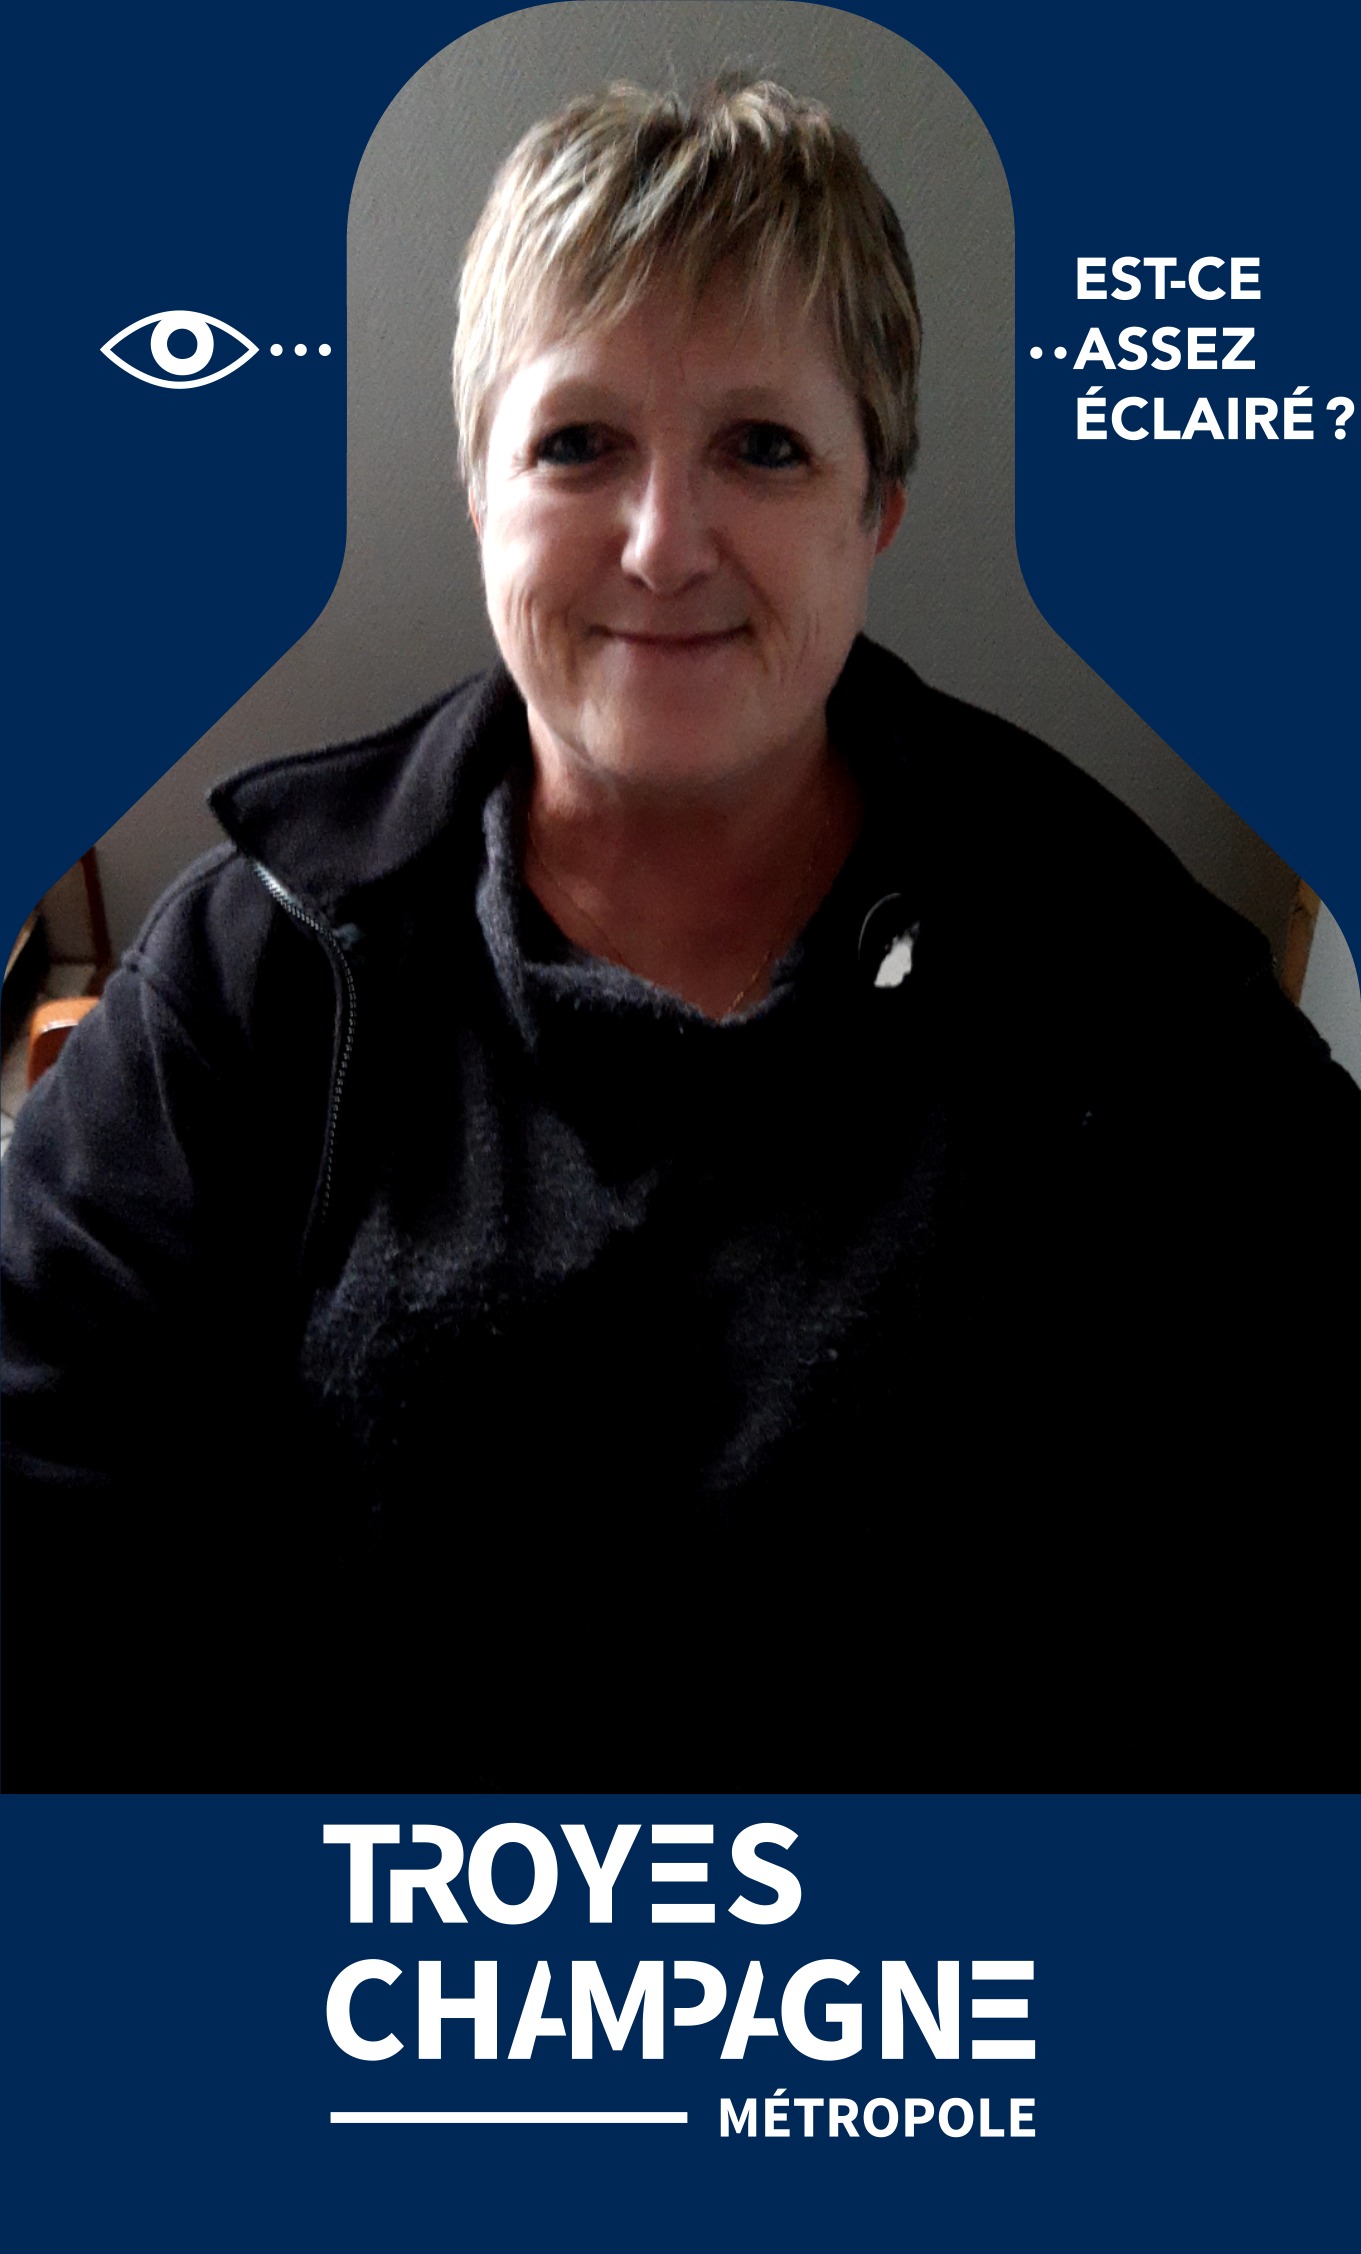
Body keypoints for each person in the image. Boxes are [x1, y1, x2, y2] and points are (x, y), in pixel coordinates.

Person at [3, 80, 1357, 1787]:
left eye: (762, 447)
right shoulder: (254, 970)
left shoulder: (1104, 953)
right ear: (479, 489)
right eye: (577, 444)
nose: (660, 547)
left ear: (876, 506)